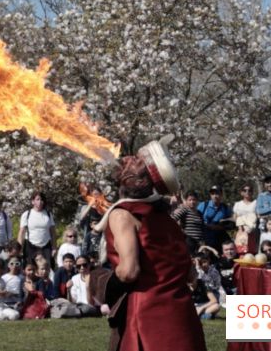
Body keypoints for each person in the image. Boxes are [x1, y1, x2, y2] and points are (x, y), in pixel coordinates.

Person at [90, 146, 206, 351]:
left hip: (149, 316)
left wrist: (101, 282)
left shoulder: (122, 215)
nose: (127, 159)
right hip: (182, 315)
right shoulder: (166, 218)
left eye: (133, 161)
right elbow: (190, 274)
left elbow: (129, 271)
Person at [18, 192, 57, 265]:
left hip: (46, 245)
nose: (40, 202)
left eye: (41, 199)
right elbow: (22, 232)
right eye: (37, 199)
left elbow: (53, 232)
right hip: (31, 245)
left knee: (47, 266)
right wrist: (19, 248)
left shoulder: (48, 214)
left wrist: (54, 247)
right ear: (33, 201)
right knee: (30, 267)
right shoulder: (27, 214)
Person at [197, 186, 232, 252]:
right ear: (210, 195)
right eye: (212, 194)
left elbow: (230, 224)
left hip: (219, 236)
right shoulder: (203, 205)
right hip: (205, 236)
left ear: (221, 195)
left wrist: (220, 227)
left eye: (217, 193)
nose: (215, 196)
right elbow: (196, 219)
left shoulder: (225, 208)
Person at [170, 190, 204, 255]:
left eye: (194, 199)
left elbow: (202, 228)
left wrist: (203, 241)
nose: (192, 202)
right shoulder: (185, 210)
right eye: (190, 200)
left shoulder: (199, 213)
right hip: (188, 242)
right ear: (186, 201)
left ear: (197, 201)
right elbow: (173, 219)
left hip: (199, 244)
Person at [232, 184, 258, 254]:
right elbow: (235, 218)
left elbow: (257, 216)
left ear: (252, 192)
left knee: (251, 253)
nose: (247, 192)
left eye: (249, 190)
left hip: (252, 232)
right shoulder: (237, 204)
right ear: (241, 192)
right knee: (240, 252)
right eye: (245, 190)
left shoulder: (256, 203)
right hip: (241, 232)